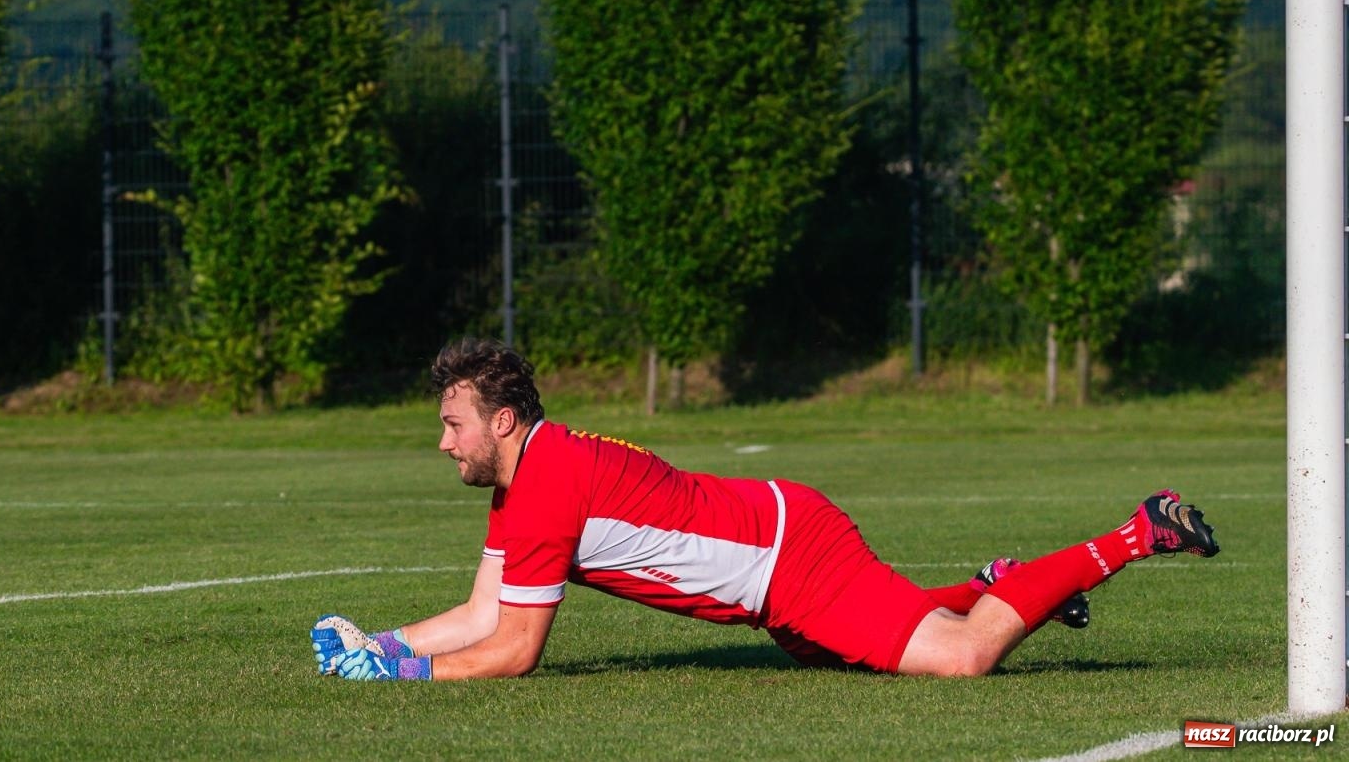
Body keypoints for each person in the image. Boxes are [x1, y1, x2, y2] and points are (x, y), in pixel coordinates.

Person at [311, 338, 1218, 681]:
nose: (445, 442)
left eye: (454, 424)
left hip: (792, 557)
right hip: (777, 555)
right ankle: (1001, 583)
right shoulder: (526, 479)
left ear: (503, 421)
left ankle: (1142, 529)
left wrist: (406, 676)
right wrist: (379, 644)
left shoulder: (544, 486)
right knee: (859, 647)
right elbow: (483, 610)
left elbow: (512, 650)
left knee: (962, 656)